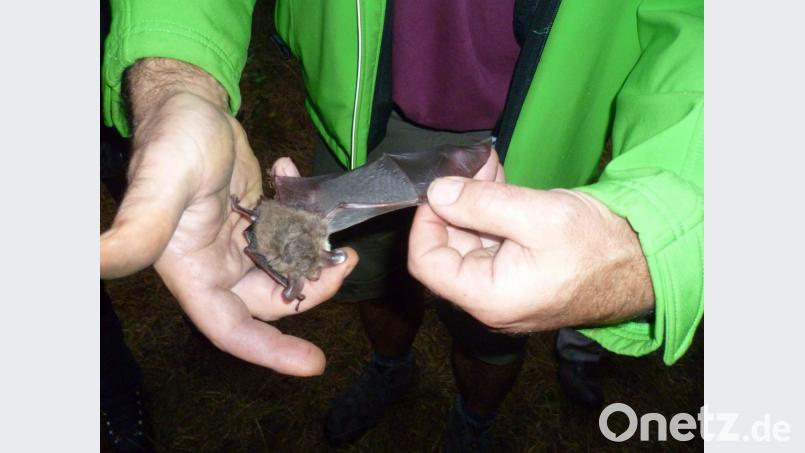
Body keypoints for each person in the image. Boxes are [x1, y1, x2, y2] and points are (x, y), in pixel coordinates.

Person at [100, 0, 703, 450]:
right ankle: (389, 366)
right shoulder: (306, 225)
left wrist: (665, 229)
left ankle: (474, 419)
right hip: (360, 129)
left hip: (522, 146)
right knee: (367, 278)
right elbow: (306, 244)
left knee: (492, 329)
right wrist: (177, 79)